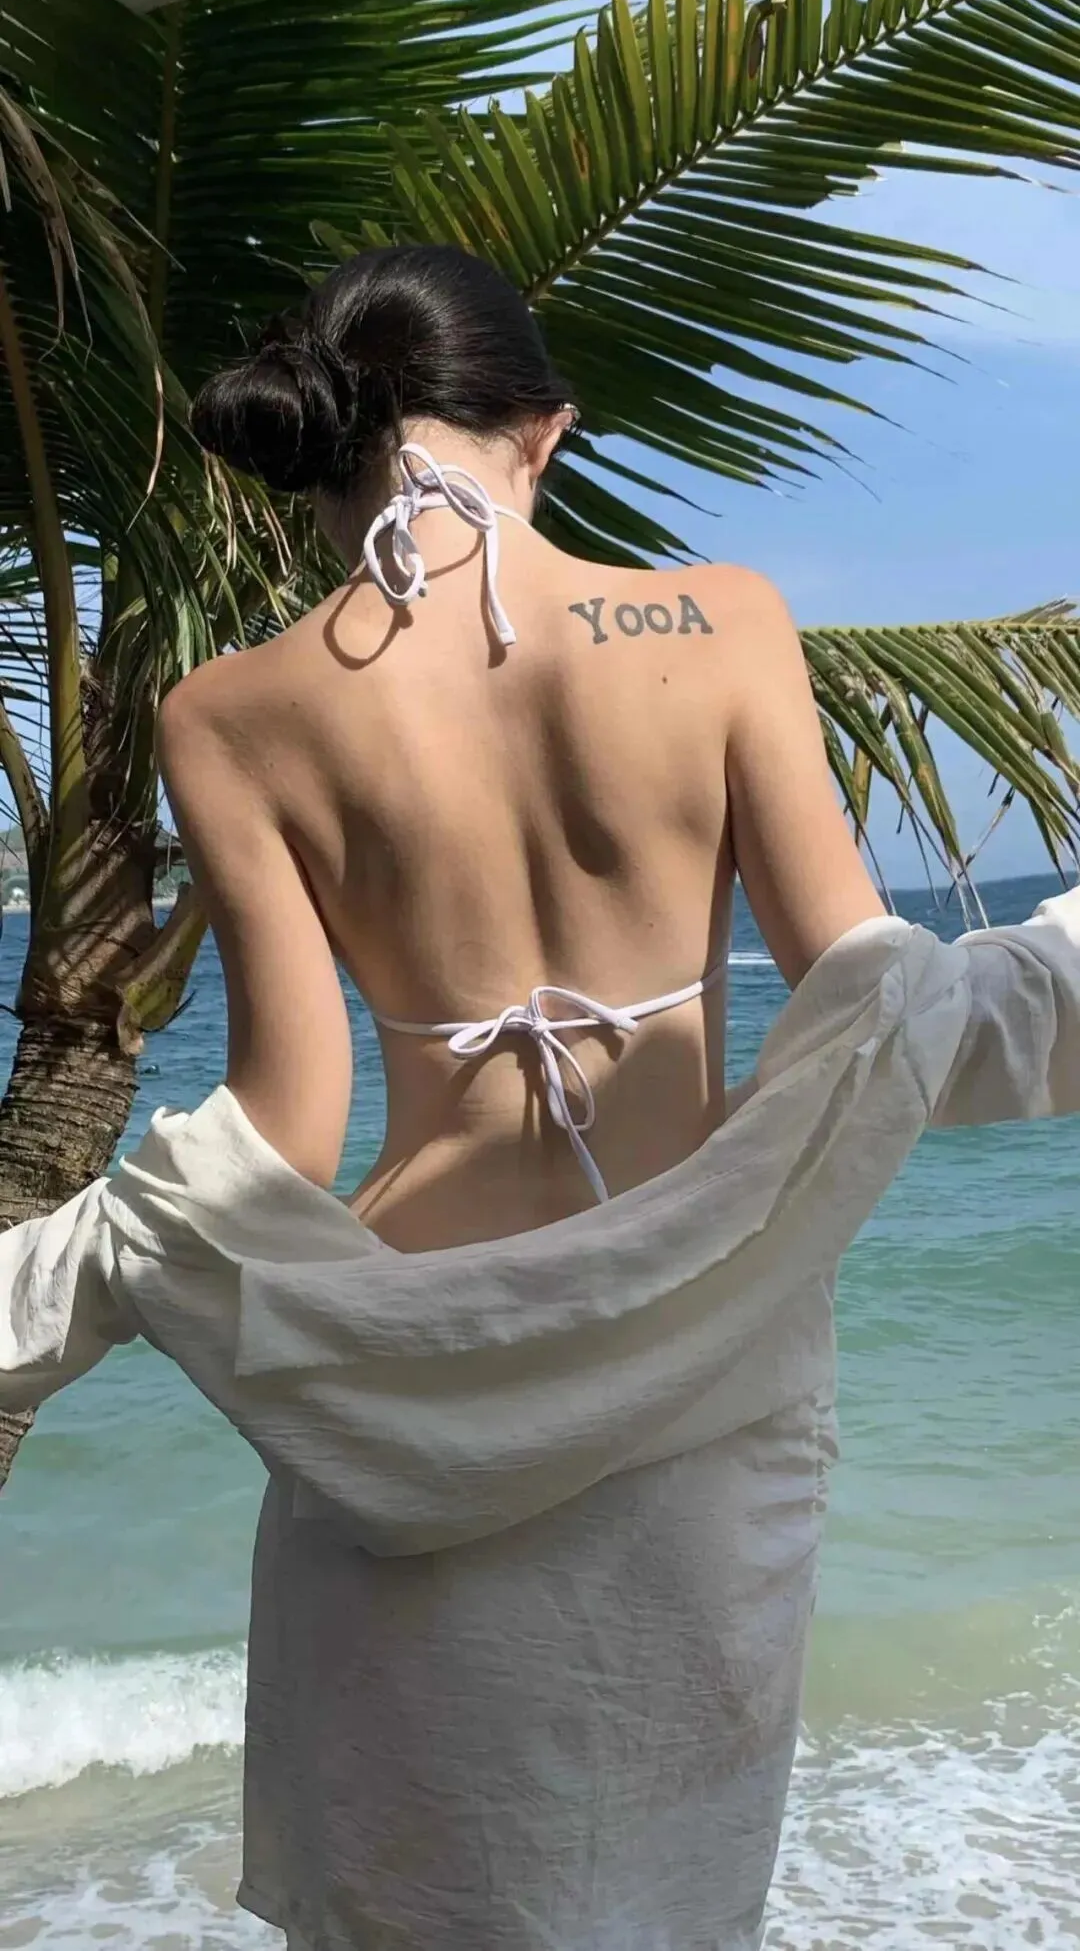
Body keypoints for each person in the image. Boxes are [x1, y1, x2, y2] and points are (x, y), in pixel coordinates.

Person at [2, 242, 1080, 1951]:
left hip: (398, 1393)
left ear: (321, 448)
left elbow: (284, 1126)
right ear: (546, 429)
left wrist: (59, 1282)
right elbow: (871, 1004)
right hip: (701, 1398)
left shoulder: (228, 715)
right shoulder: (720, 626)